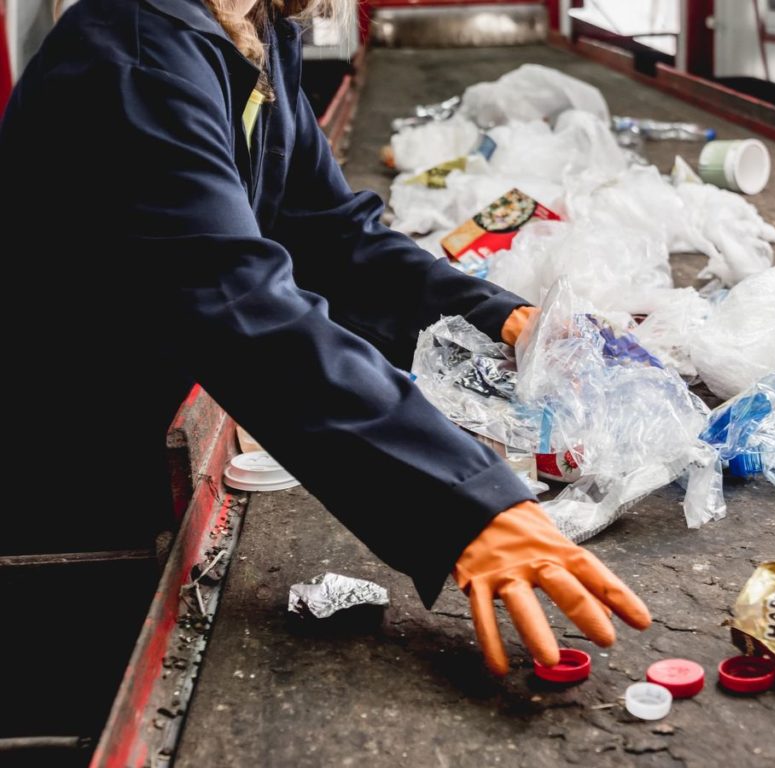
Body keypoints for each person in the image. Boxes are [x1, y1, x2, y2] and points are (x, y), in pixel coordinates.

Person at [0, 0, 650, 674]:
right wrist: (465, 500)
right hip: (69, 472)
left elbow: (327, 232)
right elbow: (235, 301)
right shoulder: (134, 57)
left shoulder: (252, 29)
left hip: (150, 421)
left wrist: (501, 318)